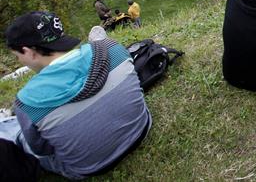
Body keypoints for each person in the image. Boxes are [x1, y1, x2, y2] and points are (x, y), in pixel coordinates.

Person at [1, 11, 151, 179]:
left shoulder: (26, 102)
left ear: (28, 52)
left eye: (17, 56)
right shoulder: (112, 48)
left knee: (20, 137)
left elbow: (42, 149)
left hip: (88, 167)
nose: (20, 61)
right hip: (141, 129)